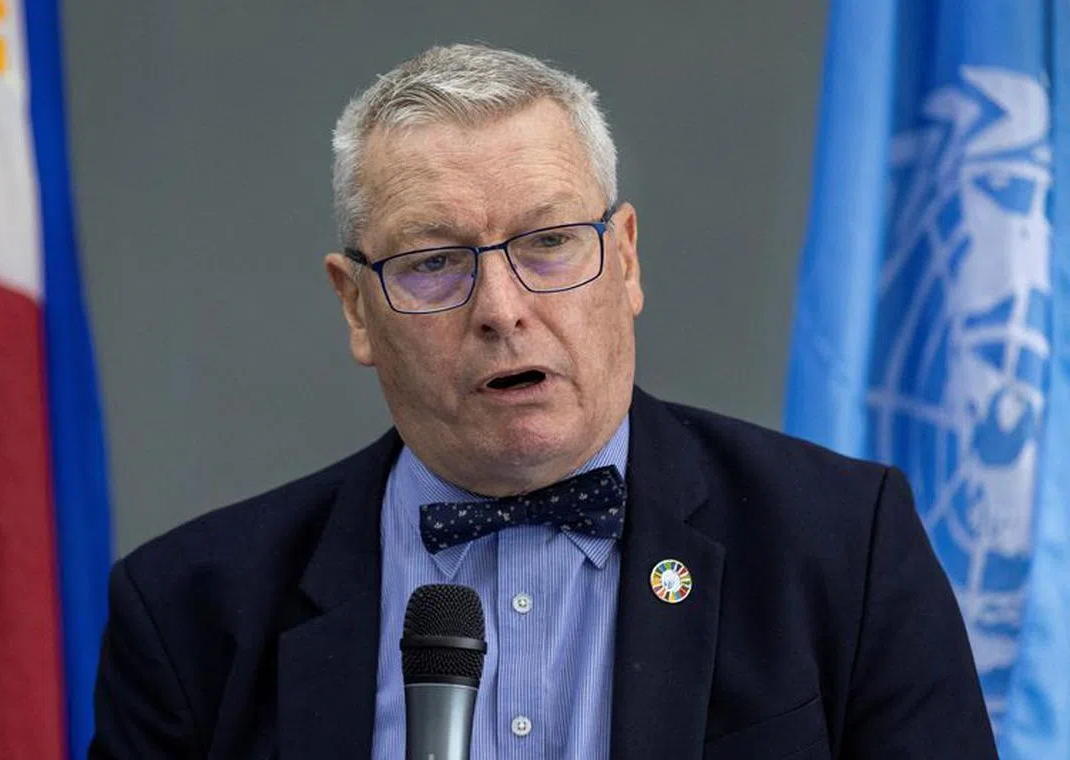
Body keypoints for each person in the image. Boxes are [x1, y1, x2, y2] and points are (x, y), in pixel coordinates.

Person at [90, 44, 996, 759]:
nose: (502, 309)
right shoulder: (191, 612)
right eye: (434, 262)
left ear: (627, 258)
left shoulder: (843, 544)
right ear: (356, 307)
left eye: (550, 243)